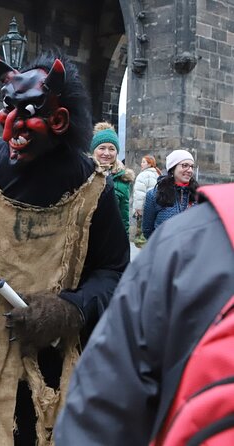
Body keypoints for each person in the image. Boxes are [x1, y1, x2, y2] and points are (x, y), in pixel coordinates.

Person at [0, 53, 129, 445]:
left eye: (27, 111)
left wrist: (71, 308)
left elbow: (113, 271)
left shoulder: (93, 188)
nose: (13, 124)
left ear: (59, 119)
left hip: (48, 363)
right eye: (7, 109)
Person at [54, 184, 234, 445]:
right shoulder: (177, 232)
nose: (187, 169)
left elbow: (103, 409)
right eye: (183, 165)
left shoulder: (184, 240)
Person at [91, 122, 135, 236]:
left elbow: (123, 217)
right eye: (102, 148)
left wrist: (124, 244)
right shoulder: (83, 175)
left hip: (110, 240)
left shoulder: (123, 179)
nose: (107, 153)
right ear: (93, 150)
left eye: (111, 149)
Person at [142, 149, 198, 239]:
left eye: (192, 166)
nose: (190, 170)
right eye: (185, 166)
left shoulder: (198, 195)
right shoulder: (154, 195)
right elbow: (147, 230)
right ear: (172, 168)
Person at [132, 154, 161, 244]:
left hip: (144, 209)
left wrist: (138, 209)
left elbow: (140, 194)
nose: (141, 164)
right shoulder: (158, 174)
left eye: (144, 162)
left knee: (141, 238)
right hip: (155, 209)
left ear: (150, 164)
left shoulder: (143, 175)